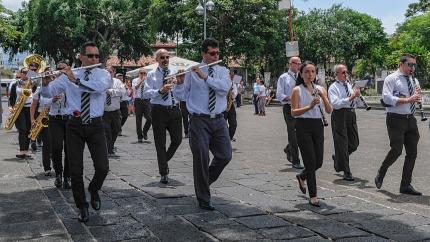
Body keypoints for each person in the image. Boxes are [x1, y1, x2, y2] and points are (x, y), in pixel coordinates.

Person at [41, 41, 112, 222]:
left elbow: (98, 89)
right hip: (75, 125)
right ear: (81, 57)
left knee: (103, 167)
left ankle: (94, 189)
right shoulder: (68, 75)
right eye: (90, 56)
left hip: (96, 125)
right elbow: (49, 93)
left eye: (97, 56)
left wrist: (75, 80)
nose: (95, 59)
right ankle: (82, 206)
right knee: (75, 170)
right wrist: (45, 81)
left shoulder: (103, 74)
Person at [175, 38, 232, 211]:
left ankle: (203, 182)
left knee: (225, 156)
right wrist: (179, 83)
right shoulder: (191, 72)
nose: (216, 56)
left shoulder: (223, 71)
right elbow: (181, 96)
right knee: (201, 157)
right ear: (203, 54)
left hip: (219, 119)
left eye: (217, 53)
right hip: (199, 120)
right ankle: (203, 197)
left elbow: (223, 88)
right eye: (212, 53)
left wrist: (205, 77)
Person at [375, 53, 422, 196]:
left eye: (414, 65)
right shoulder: (392, 79)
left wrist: (419, 100)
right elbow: (387, 98)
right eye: (410, 65)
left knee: (412, 153)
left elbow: (418, 100)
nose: (412, 68)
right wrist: (408, 100)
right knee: (396, 150)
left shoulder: (414, 80)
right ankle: (382, 170)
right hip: (395, 118)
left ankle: (405, 185)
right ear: (401, 64)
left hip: (411, 119)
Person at [291, 61, 332, 207]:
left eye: (312, 72)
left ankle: (302, 176)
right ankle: (313, 195)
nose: (310, 75)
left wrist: (323, 97)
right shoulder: (297, 90)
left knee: (318, 162)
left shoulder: (320, 88)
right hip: (303, 125)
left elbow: (329, 110)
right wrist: (309, 106)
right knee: (310, 161)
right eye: (307, 72)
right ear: (301, 74)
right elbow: (294, 112)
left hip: (318, 125)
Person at [144, 49, 182, 184]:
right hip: (158, 110)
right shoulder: (151, 75)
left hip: (174, 109)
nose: (165, 59)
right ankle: (163, 172)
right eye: (162, 57)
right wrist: (160, 90)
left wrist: (180, 83)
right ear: (157, 59)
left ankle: (163, 161)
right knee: (160, 143)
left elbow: (181, 94)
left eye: (167, 57)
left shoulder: (175, 73)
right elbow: (146, 93)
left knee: (177, 140)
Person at [328, 64, 360, 181]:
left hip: (351, 114)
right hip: (339, 115)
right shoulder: (333, 87)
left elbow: (354, 101)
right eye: (343, 72)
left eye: (346, 72)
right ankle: (346, 171)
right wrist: (351, 98)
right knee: (342, 143)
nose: (346, 74)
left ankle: (338, 157)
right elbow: (335, 103)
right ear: (337, 74)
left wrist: (357, 97)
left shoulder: (349, 85)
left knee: (354, 143)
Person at [276, 57, 304, 169]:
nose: (298, 65)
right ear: (290, 64)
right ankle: (296, 160)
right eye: (296, 63)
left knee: (301, 133)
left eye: (299, 63)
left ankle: (289, 148)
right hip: (289, 108)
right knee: (292, 133)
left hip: (302, 108)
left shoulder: (302, 76)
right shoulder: (283, 77)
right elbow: (279, 94)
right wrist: (290, 98)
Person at [48, 61, 71, 189]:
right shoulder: (52, 84)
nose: (62, 70)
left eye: (64, 68)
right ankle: (58, 174)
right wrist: (51, 99)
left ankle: (68, 176)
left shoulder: (72, 84)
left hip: (69, 119)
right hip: (55, 119)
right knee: (56, 147)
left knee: (69, 149)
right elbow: (43, 99)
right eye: (59, 69)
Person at [11, 68, 33, 159]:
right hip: (19, 108)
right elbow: (12, 97)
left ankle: (26, 150)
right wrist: (10, 106)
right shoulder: (16, 84)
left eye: (27, 72)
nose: (26, 74)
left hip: (29, 108)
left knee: (28, 130)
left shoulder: (33, 83)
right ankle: (21, 150)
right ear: (20, 73)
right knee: (22, 129)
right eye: (24, 72)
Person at [30, 86, 53, 175]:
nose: (46, 79)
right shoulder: (39, 90)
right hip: (42, 116)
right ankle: (47, 167)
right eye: (45, 77)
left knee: (55, 144)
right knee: (47, 143)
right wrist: (32, 119)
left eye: (49, 77)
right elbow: (33, 105)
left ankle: (56, 164)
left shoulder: (56, 87)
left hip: (54, 116)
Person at [104, 66, 126, 156]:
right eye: (107, 72)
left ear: (113, 72)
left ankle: (111, 145)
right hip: (104, 111)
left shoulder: (117, 82)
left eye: (110, 72)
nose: (108, 73)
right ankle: (109, 149)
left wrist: (112, 92)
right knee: (107, 131)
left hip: (115, 110)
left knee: (116, 129)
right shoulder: (101, 82)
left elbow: (122, 91)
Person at [133, 68, 152, 142]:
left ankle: (144, 131)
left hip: (146, 100)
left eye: (144, 73)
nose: (143, 74)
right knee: (138, 119)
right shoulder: (135, 80)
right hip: (138, 101)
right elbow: (135, 88)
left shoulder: (149, 81)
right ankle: (139, 136)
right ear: (139, 73)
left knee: (149, 118)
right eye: (141, 73)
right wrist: (141, 81)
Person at [223, 69, 238, 141]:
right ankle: (224, 138)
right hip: (223, 104)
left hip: (230, 103)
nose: (232, 75)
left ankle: (230, 137)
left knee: (233, 124)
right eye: (231, 74)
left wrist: (233, 95)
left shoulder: (233, 82)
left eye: (233, 74)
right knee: (222, 124)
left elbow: (235, 91)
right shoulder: (224, 81)